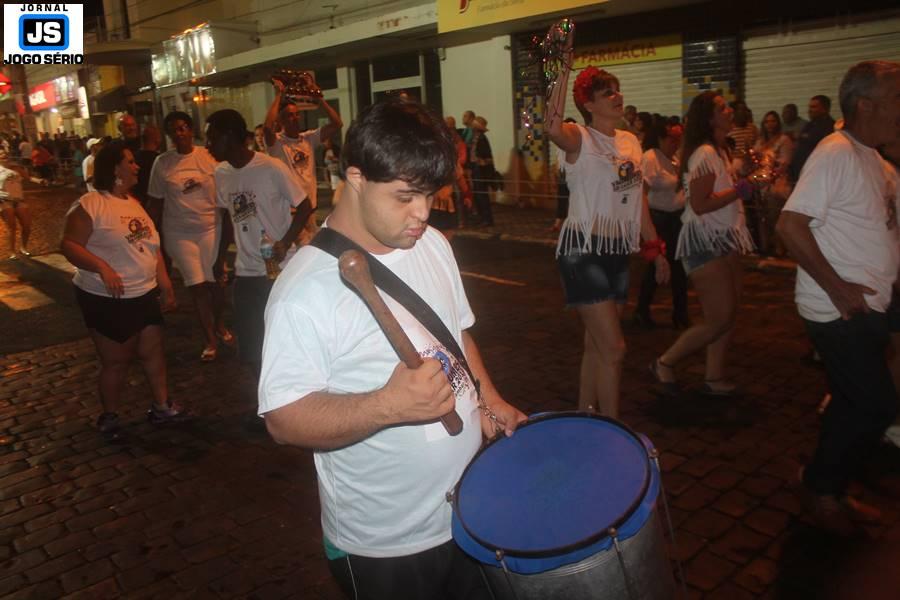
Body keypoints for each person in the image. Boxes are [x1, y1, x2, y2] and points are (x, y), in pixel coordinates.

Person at [258, 97, 526, 599]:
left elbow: (457, 331)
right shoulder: (305, 290)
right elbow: (283, 418)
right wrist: (387, 406)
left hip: (468, 512)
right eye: (405, 196)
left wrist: (488, 400)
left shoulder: (433, 246)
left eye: (429, 194)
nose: (422, 214)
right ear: (355, 178)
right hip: (384, 545)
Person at [776, 61, 900, 535]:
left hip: (870, 307)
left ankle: (826, 486)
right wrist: (839, 288)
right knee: (877, 404)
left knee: (854, 402)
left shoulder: (876, 159)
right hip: (838, 310)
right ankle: (821, 488)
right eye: (896, 99)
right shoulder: (836, 152)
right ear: (865, 104)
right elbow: (790, 225)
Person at [546, 53, 670, 418]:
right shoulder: (579, 137)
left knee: (597, 345)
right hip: (583, 251)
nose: (616, 96)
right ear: (587, 104)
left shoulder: (631, 142)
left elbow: (637, 200)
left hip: (617, 250)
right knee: (614, 348)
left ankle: (587, 414)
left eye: (617, 90)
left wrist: (655, 247)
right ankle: (613, 428)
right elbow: (552, 129)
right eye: (606, 93)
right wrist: (561, 74)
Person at [60, 141, 181, 437]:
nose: (137, 166)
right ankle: (110, 416)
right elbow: (68, 244)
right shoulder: (91, 204)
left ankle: (162, 405)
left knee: (153, 352)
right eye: (130, 161)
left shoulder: (133, 202)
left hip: (144, 292)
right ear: (115, 168)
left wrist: (164, 284)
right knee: (116, 360)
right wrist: (102, 267)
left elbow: (151, 247)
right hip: (107, 297)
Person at [652, 91, 755, 397]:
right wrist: (740, 190)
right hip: (703, 240)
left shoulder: (719, 151)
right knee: (719, 316)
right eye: (722, 107)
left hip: (723, 236)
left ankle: (714, 375)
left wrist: (745, 177)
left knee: (728, 311)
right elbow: (700, 204)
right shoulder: (705, 153)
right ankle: (665, 361)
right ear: (709, 118)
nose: (729, 110)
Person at [206, 109, 312, 376]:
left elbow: (304, 205)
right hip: (246, 271)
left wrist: (286, 242)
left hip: (280, 270)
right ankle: (265, 406)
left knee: (287, 343)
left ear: (230, 137)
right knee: (252, 349)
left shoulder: (270, 168)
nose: (208, 145)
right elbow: (228, 219)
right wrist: (219, 259)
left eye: (213, 138)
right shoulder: (221, 173)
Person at [148, 111, 233, 362]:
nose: (180, 132)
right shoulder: (162, 163)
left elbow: (226, 190)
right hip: (179, 232)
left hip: (211, 227)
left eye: (184, 127)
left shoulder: (208, 157)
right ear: (169, 134)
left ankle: (219, 324)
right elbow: (155, 202)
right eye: (175, 129)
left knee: (216, 283)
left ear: (191, 130)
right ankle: (209, 338)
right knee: (197, 286)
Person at [264, 75, 343, 244]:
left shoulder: (308, 138)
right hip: (291, 212)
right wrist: (279, 95)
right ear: (281, 120)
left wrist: (318, 98)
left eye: (297, 115)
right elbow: (267, 128)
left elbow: (337, 123)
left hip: (311, 211)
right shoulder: (277, 143)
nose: (295, 118)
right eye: (290, 116)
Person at [634, 121, 689, 329]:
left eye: (678, 139)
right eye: (671, 139)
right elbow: (642, 192)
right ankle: (642, 309)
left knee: (679, 267)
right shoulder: (651, 158)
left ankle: (680, 313)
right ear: (660, 139)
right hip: (659, 219)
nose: (676, 143)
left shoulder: (673, 159)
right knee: (656, 267)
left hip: (677, 218)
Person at [753, 110, 794, 255]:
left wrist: (771, 175)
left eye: (773, 121)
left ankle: (780, 247)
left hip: (776, 182)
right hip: (759, 182)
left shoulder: (784, 140)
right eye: (767, 121)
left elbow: (784, 163)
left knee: (775, 215)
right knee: (761, 216)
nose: (770, 124)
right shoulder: (760, 141)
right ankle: (765, 246)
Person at [788, 94, 835, 184]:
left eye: (814, 107)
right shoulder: (809, 125)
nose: (810, 110)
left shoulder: (830, 128)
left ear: (825, 108)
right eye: (809, 107)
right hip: (800, 174)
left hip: (816, 176)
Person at [0, 163, 32, 259]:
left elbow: (28, 178)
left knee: (27, 225)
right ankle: (12, 252)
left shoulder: (16, 168)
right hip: (5, 201)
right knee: (12, 227)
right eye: (1, 154)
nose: (3, 156)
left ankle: (23, 248)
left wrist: (20, 169)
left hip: (19, 200)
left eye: (5, 154)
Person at [469, 116, 495, 227]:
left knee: (482, 195)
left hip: (480, 169)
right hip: (476, 168)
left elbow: (486, 157)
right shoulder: (476, 138)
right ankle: (482, 217)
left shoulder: (482, 139)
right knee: (478, 194)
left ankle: (486, 219)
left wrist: (479, 161)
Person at [134, 124, 161, 207]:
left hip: (137, 203)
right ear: (157, 140)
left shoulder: (133, 158)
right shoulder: (160, 161)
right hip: (155, 204)